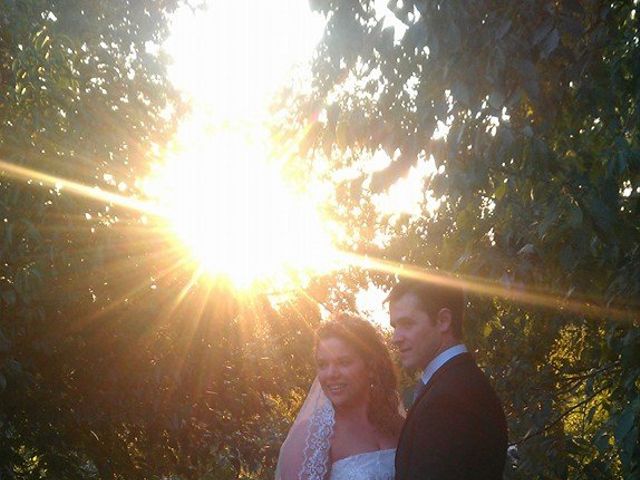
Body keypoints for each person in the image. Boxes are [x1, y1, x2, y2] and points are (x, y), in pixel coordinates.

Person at [388, 278, 508, 480]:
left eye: (407, 324)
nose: (396, 337)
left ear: (443, 321)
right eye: (394, 326)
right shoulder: (458, 382)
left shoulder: (449, 399)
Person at [276, 315, 404, 480]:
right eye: (323, 365)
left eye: (344, 362)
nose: (331, 374)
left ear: (371, 366)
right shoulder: (310, 437)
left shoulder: (395, 423)